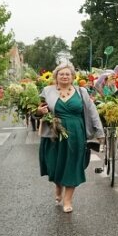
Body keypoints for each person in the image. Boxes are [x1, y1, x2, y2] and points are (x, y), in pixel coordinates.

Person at [37, 62, 103, 212]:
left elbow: (92, 112)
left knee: (72, 165)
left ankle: (67, 200)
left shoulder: (82, 92)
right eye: (61, 74)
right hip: (54, 134)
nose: (65, 76)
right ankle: (58, 185)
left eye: (68, 74)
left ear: (73, 76)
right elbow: (38, 110)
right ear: (56, 76)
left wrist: (99, 133)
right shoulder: (47, 91)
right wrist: (39, 112)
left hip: (76, 134)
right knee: (54, 165)